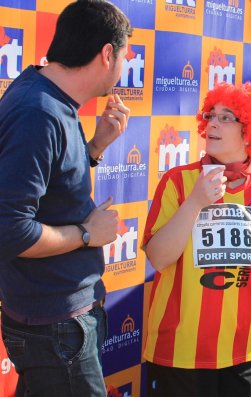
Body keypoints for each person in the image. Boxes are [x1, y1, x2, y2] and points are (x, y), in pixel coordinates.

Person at [0, 1, 132, 395]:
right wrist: (87, 234)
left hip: (59, 320)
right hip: (55, 324)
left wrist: (94, 148)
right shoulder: (38, 111)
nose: (127, 66)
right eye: (127, 55)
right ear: (107, 54)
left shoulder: (51, 98)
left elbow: (49, 190)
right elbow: (10, 230)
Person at [143, 83, 251, 397]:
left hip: (241, 351)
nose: (212, 123)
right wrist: (195, 202)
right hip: (180, 351)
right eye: (211, 115)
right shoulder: (178, 181)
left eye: (227, 118)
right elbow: (158, 257)